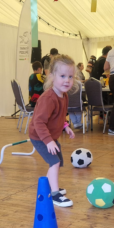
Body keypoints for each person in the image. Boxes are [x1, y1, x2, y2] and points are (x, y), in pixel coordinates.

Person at [29, 54, 76, 207]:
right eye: (62, 76)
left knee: (57, 161)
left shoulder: (64, 95)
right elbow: (39, 122)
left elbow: (58, 116)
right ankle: (55, 195)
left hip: (50, 136)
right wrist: (48, 141)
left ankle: (50, 186)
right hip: (40, 136)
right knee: (54, 162)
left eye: (70, 76)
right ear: (51, 76)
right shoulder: (48, 98)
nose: (67, 80)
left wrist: (65, 126)